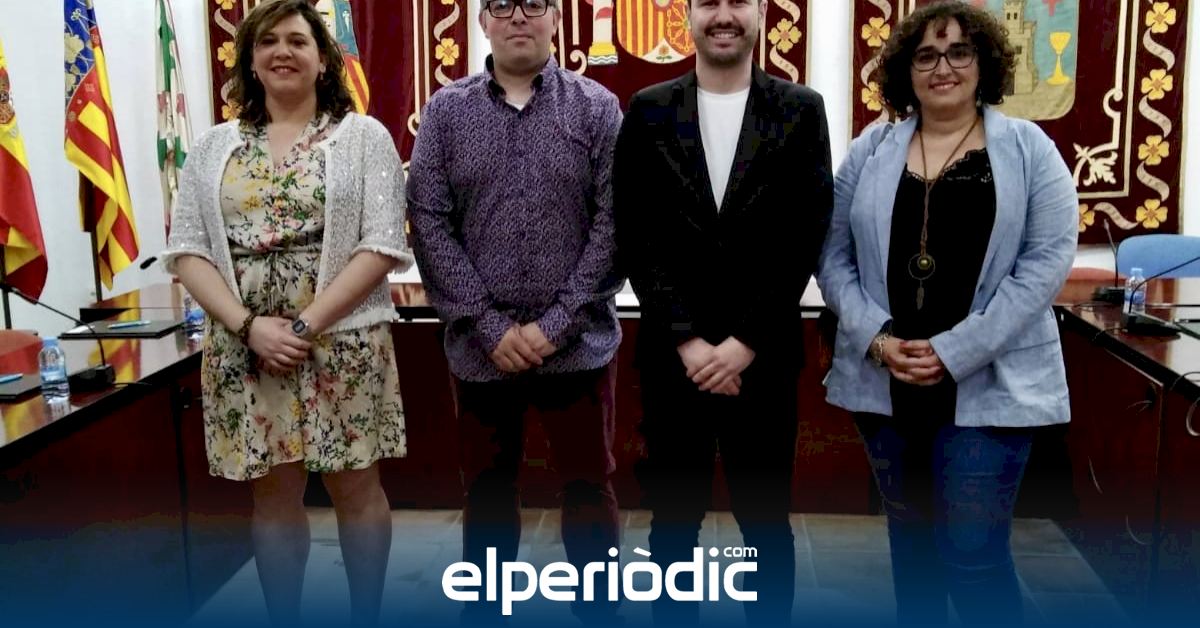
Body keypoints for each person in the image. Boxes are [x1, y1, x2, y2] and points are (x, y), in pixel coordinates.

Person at [817, 1, 1078, 624]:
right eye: (926, 55)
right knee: (911, 550)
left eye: (959, 52)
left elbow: (1045, 263)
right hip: (889, 383)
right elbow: (831, 254)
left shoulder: (1030, 149)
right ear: (905, 70)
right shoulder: (871, 148)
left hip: (989, 384)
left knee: (972, 555)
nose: (943, 68)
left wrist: (955, 350)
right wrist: (877, 339)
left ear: (984, 63)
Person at [161, 1, 411, 625]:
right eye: (268, 41)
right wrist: (250, 328)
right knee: (272, 497)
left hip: (342, 341)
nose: (283, 52)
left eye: (298, 41)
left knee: (356, 489)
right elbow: (187, 250)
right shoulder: (212, 147)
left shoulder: (364, 137)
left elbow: (383, 244)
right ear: (249, 59)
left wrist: (302, 328)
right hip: (246, 348)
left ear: (323, 58)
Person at [613, 0, 832, 624]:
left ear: (760, 12)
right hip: (672, 360)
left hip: (762, 360)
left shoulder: (800, 109)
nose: (723, 15)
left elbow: (805, 234)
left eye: (738, 1)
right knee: (672, 525)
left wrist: (744, 342)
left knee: (765, 525)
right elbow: (635, 232)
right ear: (687, 16)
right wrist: (687, 340)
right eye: (708, 2)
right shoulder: (648, 109)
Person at [405, 0, 624, 624]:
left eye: (534, 4)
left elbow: (615, 223)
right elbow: (429, 222)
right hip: (482, 350)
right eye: (501, 5)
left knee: (588, 488)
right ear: (483, 21)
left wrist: (556, 324)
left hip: (578, 345)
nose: (518, 17)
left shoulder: (597, 108)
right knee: (488, 493)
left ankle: (599, 611)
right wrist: (488, 325)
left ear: (556, 18)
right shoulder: (446, 112)